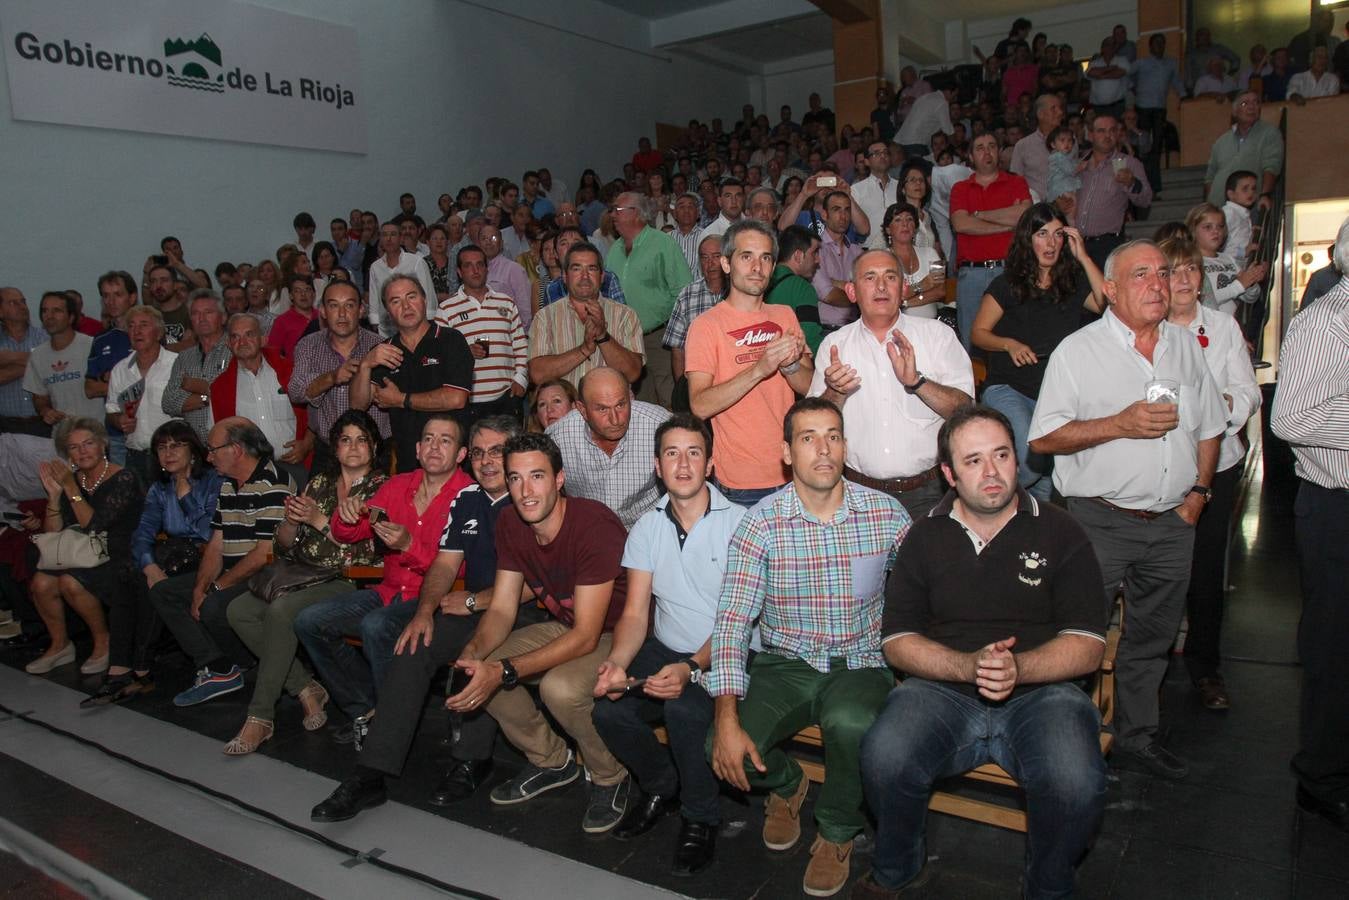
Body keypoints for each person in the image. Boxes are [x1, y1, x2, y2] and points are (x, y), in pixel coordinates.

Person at [855, 405, 1109, 900]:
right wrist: (967, 666)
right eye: (973, 461)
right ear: (948, 473)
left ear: (1018, 460)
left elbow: (1088, 645)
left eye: (1001, 455)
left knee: (1076, 781)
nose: (991, 473)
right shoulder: (924, 535)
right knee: (884, 754)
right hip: (941, 690)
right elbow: (897, 640)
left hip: (1045, 693)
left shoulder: (1061, 531)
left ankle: (1048, 887)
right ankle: (898, 869)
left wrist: (1021, 668)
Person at [1028, 239, 1227, 781]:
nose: (1158, 284)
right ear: (1110, 289)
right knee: (1079, 637)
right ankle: (1066, 741)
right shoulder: (1079, 351)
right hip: (1099, 521)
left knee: (1152, 639)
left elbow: (1210, 425)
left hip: (1171, 523)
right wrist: (1119, 423)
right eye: (1142, 275)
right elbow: (1042, 438)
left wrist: (1198, 496)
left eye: (1163, 273)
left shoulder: (1185, 347)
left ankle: (1137, 736)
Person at [707, 397, 909, 897]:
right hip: (786, 662)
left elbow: (922, 593)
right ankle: (785, 782)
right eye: (808, 438)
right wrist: (726, 716)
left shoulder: (885, 514)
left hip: (860, 662)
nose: (824, 449)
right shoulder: (760, 523)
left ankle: (837, 830)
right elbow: (732, 621)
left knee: (852, 722)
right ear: (786, 453)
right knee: (719, 747)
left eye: (833, 436)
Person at [309, 416, 542, 820]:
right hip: (473, 606)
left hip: (527, 614)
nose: (488, 462)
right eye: (482, 452)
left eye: (498, 452)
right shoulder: (467, 500)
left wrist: (474, 603)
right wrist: (423, 612)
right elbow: (444, 566)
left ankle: (471, 759)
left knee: (481, 653)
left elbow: (539, 582)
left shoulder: (532, 499)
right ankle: (371, 773)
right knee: (412, 645)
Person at [441, 432, 634, 834]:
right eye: (515, 478)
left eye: (537, 477)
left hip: (617, 633)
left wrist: (506, 670)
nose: (526, 491)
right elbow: (503, 607)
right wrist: (475, 652)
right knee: (481, 668)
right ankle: (551, 761)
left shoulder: (592, 524)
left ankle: (610, 775)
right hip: (569, 625)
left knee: (559, 689)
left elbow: (586, 636)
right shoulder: (511, 522)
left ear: (559, 479)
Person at [591, 414, 744, 874]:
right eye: (672, 453)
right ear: (657, 466)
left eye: (693, 452)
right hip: (668, 645)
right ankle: (662, 783)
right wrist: (617, 663)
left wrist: (693, 667)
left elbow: (738, 619)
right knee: (608, 708)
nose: (682, 464)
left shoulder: (742, 524)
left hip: (729, 650)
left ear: (710, 463)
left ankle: (701, 818)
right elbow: (636, 613)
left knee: (684, 710)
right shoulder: (646, 527)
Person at [294, 414, 473, 747]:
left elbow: (462, 573)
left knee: (376, 626)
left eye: (445, 440)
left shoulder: (469, 497)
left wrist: (408, 546)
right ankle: (367, 710)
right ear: (417, 449)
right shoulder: (397, 485)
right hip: (388, 591)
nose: (435, 447)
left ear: (461, 454)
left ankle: (392, 723)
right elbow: (351, 532)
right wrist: (346, 516)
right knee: (309, 620)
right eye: (429, 439)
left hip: (435, 601)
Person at [220, 411, 387, 755]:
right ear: (335, 448)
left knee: (281, 612)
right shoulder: (320, 483)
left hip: (346, 578)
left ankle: (261, 717)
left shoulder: (384, 487)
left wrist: (318, 519)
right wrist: (293, 523)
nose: (353, 447)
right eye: (345, 439)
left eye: (361, 439)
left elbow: (366, 550)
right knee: (239, 610)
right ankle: (305, 687)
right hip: (300, 572)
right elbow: (285, 544)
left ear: (373, 446)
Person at [1270, 216, 1349, 835]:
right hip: (1336, 504)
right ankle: (1323, 779)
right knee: (1334, 644)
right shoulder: (1324, 322)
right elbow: (1290, 420)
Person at [1159, 238, 1259, 712]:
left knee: (1204, 574)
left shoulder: (1222, 327)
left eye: (1191, 270)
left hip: (1216, 465)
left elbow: (1247, 392)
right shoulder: (1147, 328)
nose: (1183, 279)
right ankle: (1149, 669)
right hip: (1160, 466)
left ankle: (1205, 668)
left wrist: (1218, 409)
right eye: (1174, 270)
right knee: (1158, 573)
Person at [811, 249, 972, 521]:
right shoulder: (835, 345)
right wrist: (835, 391)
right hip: (859, 494)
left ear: (904, 288)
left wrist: (917, 382)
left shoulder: (937, 336)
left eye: (890, 277)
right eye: (870, 278)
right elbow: (815, 424)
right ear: (852, 292)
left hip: (931, 492)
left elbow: (965, 410)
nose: (882, 286)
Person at [149, 417, 294, 706]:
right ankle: (218, 666)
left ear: (237, 449)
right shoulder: (228, 485)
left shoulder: (274, 481)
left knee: (214, 605)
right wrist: (200, 588)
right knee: (164, 592)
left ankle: (251, 665)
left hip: (269, 573)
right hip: (234, 570)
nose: (209, 456)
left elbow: (266, 552)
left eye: (213, 449)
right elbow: (216, 542)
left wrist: (215, 589)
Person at [972, 204, 1105, 501]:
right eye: (1042, 234)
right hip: (1010, 386)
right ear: (1027, 239)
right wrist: (1010, 344)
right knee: (1032, 463)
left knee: (1047, 482)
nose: (1051, 242)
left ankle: (1028, 529)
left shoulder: (1071, 282)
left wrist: (1083, 256)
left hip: (1055, 394)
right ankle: (990, 502)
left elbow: (1106, 304)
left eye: (1058, 234)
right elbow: (978, 333)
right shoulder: (1007, 284)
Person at [87, 421, 223, 705]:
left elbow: (210, 533)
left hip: (210, 555)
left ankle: (141, 667)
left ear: (193, 450)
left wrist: (186, 497)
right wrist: (149, 566)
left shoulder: (214, 480)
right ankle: (119, 667)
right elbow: (142, 533)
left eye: (176, 445)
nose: (168, 453)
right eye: (162, 447)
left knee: (146, 581)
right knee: (128, 572)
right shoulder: (160, 488)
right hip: (173, 554)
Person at [687, 220, 814, 507]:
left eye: (765, 258)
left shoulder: (784, 315)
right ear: (726, 263)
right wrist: (759, 368)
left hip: (792, 469)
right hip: (740, 482)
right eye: (747, 256)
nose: (757, 267)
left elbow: (809, 387)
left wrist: (790, 364)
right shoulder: (706, 326)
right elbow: (699, 404)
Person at [25, 418, 144, 676]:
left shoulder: (123, 477)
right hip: (80, 552)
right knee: (41, 583)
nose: (82, 452)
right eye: (74, 447)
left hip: (116, 553)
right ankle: (60, 645)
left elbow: (94, 525)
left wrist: (69, 487)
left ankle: (104, 642)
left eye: (88, 444)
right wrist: (55, 495)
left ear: (103, 444)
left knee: (70, 582)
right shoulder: (73, 479)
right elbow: (53, 533)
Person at [351, 275, 472, 474]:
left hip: (451, 462)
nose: (406, 306)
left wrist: (401, 400)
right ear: (388, 312)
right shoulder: (383, 351)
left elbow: (456, 398)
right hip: (408, 462)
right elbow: (357, 405)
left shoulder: (450, 340)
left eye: (411, 297)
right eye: (395, 301)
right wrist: (365, 365)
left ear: (425, 300)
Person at [546, 367, 671, 530]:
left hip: (651, 529)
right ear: (582, 409)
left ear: (630, 397)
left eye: (621, 405)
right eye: (602, 409)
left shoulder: (660, 426)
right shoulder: (558, 437)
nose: (615, 419)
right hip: (588, 532)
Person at [287, 282, 390, 472]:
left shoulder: (380, 346)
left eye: (349, 305)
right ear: (323, 311)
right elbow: (295, 391)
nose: (342, 314)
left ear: (361, 310)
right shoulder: (308, 345)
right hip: (328, 451)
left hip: (375, 451)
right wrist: (332, 377)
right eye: (334, 305)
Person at [607, 192, 695, 408]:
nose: (613, 215)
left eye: (617, 210)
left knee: (669, 400)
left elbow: (683, 291)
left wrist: (678, 337)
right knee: (639, 405)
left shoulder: (663, 244)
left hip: (660, 339)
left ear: (636, 214)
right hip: (626, 342)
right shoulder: (614, 250)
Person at [950, 133, 1033, 349]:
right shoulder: (960, 188)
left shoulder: (1016, 182)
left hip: (1010, 271)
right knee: (970, 339)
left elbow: (1025, 215)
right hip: (972, 275)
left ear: (999, 152)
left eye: (992, 146)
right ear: (970, 156)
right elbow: (961, 224)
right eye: (980, 148)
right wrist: (1007, 223)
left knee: (1015, 334)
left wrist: (977, 214)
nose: (987, 152)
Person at [211, 314, 312, 487]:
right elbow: (217, 436)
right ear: (228, 344)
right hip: (247, 475)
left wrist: (307, 444)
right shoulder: (220, 388)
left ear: (263, 339)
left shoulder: (290, 371)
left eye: (249, 334)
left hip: (295, 466)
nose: (242, 342)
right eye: (235, 336)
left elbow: (316, 413)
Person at [528, 242, 644, 389]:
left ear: (602, 276)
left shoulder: (625, 315)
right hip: (564, 410)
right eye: (576, 269)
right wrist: (583, 350)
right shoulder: (544, 317)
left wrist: (603, 336)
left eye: (592, 269)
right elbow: (537, 374)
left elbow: (632, 373)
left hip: (610, 408)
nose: (584, 276)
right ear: (564, 276)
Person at [432, 245, 528, 422]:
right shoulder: (446, 309)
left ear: (487, 268)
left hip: (506, 397)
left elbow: (521, 345)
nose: (475, 270)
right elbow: (436, 356)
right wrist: (463, 352)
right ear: (460, 272)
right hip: (467, 402)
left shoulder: (506, 302)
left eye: (479, 265)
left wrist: (521, 379)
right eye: (468, 266)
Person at [104, 306, 177, 480]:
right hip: (135, 456)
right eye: (131, 326)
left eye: (144, 325)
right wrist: (118, 420)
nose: (137, 331)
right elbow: (111, 412)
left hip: (173, 454)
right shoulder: (119, 370)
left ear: (159, 333)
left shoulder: (177, 365)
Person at [1072, 114, 1153, 268]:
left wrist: (1131, 182)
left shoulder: (1129, 164)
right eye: (1101, 131)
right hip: (1076, 243)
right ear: (1091, 135)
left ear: (1118, 134)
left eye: (1112, 131)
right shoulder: (1078, 164)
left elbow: (1146, 199)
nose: (1107, 135)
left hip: (1107, 245)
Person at [161, 290, 232, 443]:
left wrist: (192, 386)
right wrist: (207, 397)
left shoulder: (235, 350)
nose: (202, 318)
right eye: (195, 313)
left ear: (223, 317)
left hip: (230, 446)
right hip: (195, 449)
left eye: (208, 312)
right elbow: (168, 402)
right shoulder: (184, 357)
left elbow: (233, 394)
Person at [664, 235, 728, 402]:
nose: (710, 263)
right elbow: (677, 348)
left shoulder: (741, 292)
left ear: (727, 259)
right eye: (704, 258)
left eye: (716, 256)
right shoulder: (687, 295)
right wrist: (682, 389)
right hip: (698, 385)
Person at [24, 292, 102, 430]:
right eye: (45, 311)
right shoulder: (38, 355)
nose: (50, 316)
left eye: (57, 311)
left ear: (71, 317)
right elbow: (39, 397)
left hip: (97, 433)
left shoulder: (92, 346)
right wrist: (46, 411)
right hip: (62, 438)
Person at [1186, 203, 1267, 317]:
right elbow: (1202, 300)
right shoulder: (1190, 263)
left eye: (1220, 226)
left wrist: (1251, 280)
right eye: (1208, 227)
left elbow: (1250, 298)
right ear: (1193, 230)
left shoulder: (1228, 259)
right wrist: (1239, 286)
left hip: (1230, 327)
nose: (1216, 231)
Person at [1204, 92, 1283, 209]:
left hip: (1249, 208)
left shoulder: (1269, 133)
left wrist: (1265, 195)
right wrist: (1209, 206)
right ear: (1234, 112)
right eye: (1245, 103)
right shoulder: (1221, 141)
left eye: (1256, 102)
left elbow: (1271, 166)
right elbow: (1210, 177)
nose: (1252, 107)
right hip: (1218, 210)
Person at [1132, 33, 1185, 196]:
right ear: (1150, 46)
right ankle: (1143, 186)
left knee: (1156, 149)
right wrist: (1132, 91)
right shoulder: (1141, 63)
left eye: (1162, 43)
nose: (1159, 46)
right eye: (1156, 43)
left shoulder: (1170, 63)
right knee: (1143, 148)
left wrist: (1184, 95)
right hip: (1143, 109)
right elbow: (1127, 77)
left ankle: (1154, 188)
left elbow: (1176, 81)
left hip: (1159, 110)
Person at [366, 222, 436, 335]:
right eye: (384, 235)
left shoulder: (416, 262)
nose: (388, 239)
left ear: (401, 238)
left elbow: (428, 293)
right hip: (386, 327)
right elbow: (374, 297)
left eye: (393, 234)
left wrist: (429, 320)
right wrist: (374, 321)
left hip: (415, 323)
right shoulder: (375, 266)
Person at [881, 203, 947, 320]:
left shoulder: (931, 253)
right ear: (888, 230)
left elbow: (940, 291)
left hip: (930, 326)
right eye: (898, 220)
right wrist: (923, 285)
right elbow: (890, 296)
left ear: (915, 228)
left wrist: (906, 303)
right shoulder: (881, 259)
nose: (905, 224)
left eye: (909, 219)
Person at [766, 225, 824, 355]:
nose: (818, 260)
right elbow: (811, 340)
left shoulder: (761, 282)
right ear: (798, 256)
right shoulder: (802, 288)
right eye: (814, 253)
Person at [0, 287, 46, 436]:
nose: (22, 307)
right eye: (14, 303)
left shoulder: (45, 337)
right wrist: (36, 363)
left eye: (23, 302)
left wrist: (10, 358)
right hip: (5, 425)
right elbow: (45, 361)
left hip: (42, 423)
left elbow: (52, 363)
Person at [1010, 94, 1066, 201]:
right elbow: (1015, 184)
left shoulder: (1071, 141)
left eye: (1060, 108)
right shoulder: (1023, 145)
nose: (1060, 112)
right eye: (1054, 109)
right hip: (1036, 209)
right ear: (1041, 114)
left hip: (1066, 208)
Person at [850, 142, 899, 251]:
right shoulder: (856, 190)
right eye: (876, 153)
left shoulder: (900, 187)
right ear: (867, 161)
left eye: (886, 152)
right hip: (868, 250)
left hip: (898, 248)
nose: (883, 156)